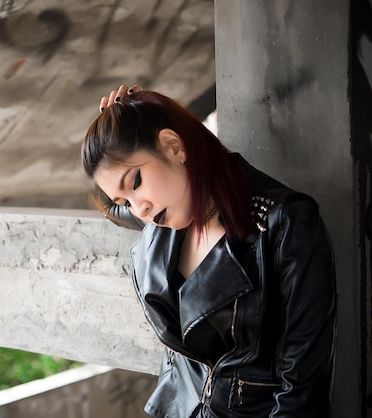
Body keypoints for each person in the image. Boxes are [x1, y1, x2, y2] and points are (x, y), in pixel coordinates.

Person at [81, 84, 336, 417]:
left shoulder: (283, 223)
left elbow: (302, 387)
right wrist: (113, 124)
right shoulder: (161, 218)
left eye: (136, 181)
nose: (138, 208)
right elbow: (110, 207)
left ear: (173, 146)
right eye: (124, 200)